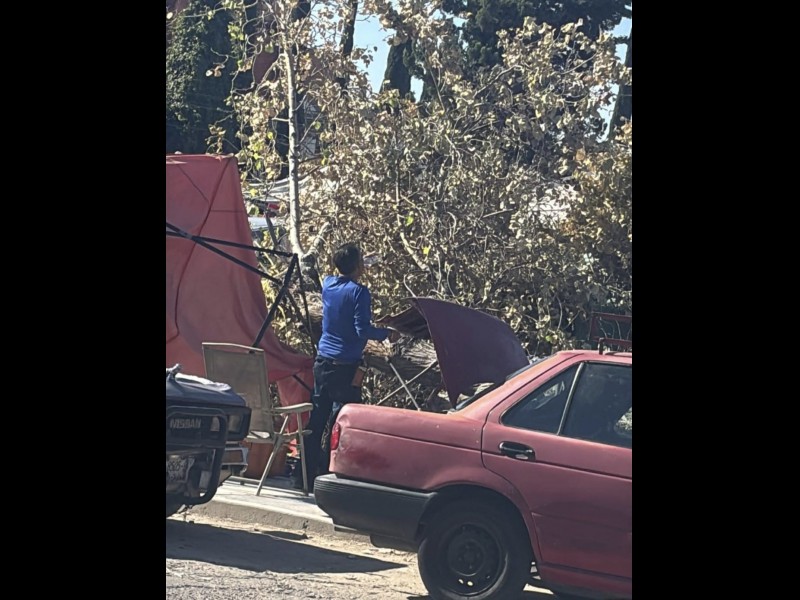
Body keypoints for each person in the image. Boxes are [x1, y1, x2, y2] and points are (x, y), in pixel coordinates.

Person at [293, 243, 399, 491]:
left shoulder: (328, 284)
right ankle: (335, 474)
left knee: (317, 419)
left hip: (323, 362)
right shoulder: (360, 292)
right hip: (345, 367)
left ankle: (302, 475)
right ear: (357, 266)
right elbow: (362, 329)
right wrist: (386, 333)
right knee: (344, 420)